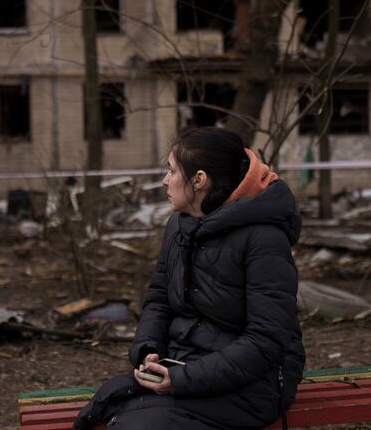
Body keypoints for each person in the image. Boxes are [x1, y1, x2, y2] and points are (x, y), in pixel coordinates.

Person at [74, 127, 305, 429]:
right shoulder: (180, 226)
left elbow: (265, 342)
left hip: (256, 383)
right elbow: (159, 299)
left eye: (171, 171)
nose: (164, 180)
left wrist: (182, 379)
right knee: (102, 409)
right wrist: (147, 349)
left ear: (199, 180)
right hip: (185, 363)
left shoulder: (264, 239)